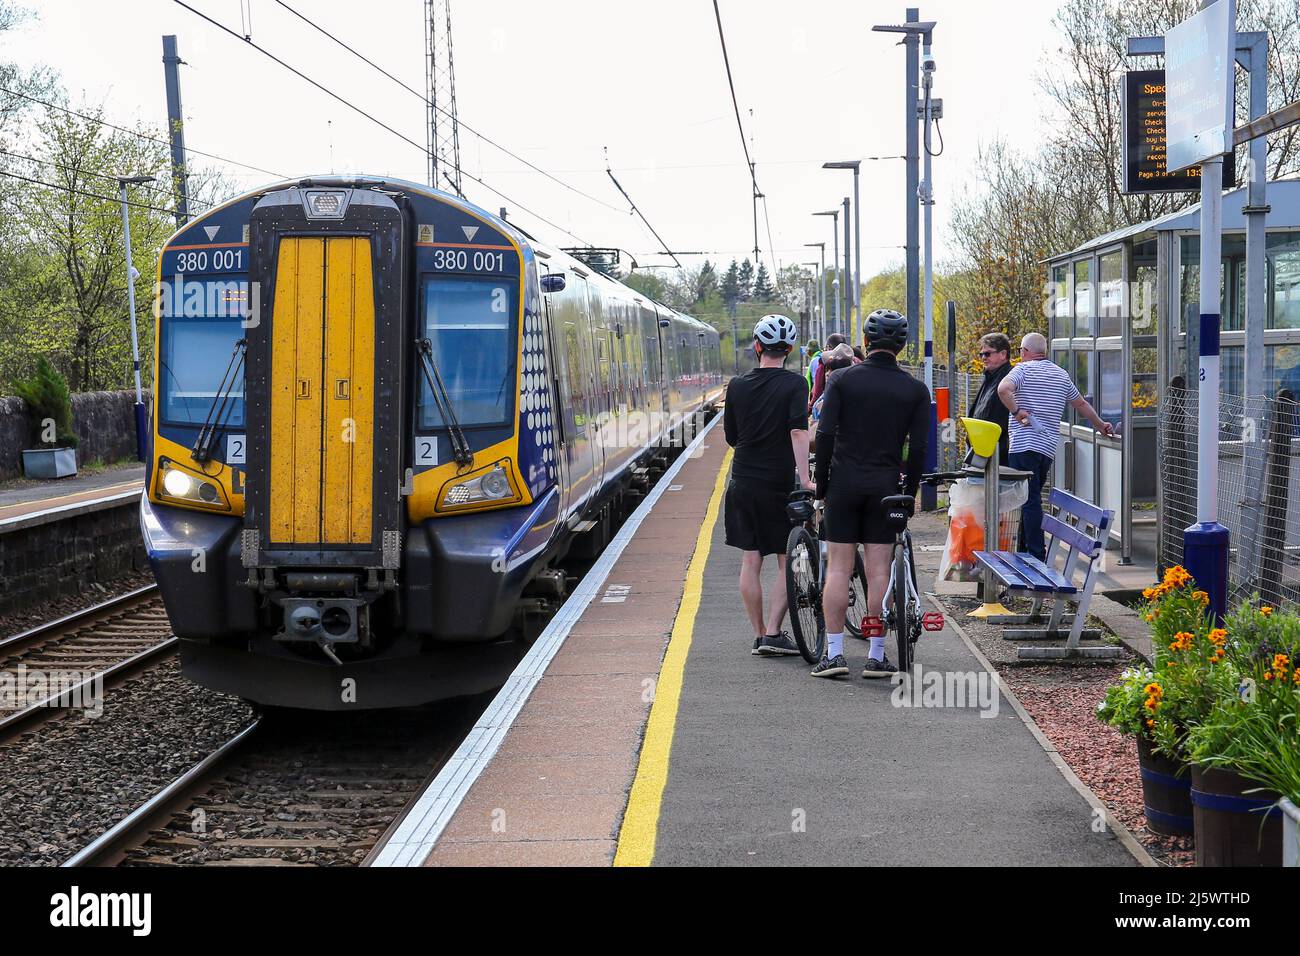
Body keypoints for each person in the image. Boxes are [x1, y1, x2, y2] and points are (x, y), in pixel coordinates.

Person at [812, 309, 930, 679]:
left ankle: (834, 655)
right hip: (885, 489)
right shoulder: (914, 389)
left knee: (839, 569)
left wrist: (823, 485)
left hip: (844, 486)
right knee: (880, 571)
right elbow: (919, 449)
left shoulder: (842, 381)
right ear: (903, 345)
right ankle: (877, 655)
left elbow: (826, 435)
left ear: (866, 341)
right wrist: (908, 493)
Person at [723, 314, 813, 657]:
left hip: (742, 480)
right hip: (778, 483)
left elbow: (732, 436)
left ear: (757, 347)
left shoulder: (737, 385)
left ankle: (759, 633)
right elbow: (797, 432)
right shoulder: (794, 385)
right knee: (787, 561)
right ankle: (774, 631)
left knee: (750, 559)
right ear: (788, 350)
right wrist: (805, 478)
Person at [997, 332, 1114, 561]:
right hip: (1046, 449)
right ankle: (1026, 550)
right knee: (1030, 498)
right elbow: (1080, 403)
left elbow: (1003, 390)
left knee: (1027, 500)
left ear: (1025, 352)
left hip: (1022, 446)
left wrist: (1016, 410)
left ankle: (1035, 555)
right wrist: (1101, 425)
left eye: (1021, 352)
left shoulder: (1022, 370)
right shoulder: (1061, 375)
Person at [967, 332, 1013, 465]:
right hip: (984, 451)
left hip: (999, 454)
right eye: (981, 354)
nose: (983, 358)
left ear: (1003, 354)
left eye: (987, 354)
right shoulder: (990, 377)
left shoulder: (1009, 378)